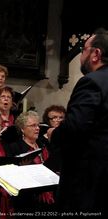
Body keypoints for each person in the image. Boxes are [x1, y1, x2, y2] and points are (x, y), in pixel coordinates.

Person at [47, 28, 108, 213]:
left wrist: (54, 134)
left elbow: (75, 126)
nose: (81, 55)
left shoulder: (91, 81)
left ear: (96, 54)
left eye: (83, 49)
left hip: (88, 180)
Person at [9, 110, 55, 212]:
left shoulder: (43, 144)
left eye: (38, 125)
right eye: (33, 126)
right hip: (28, 198)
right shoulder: (15, 148)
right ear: (22, 129)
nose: (37, 128)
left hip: (49, 192)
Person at [40, 105, 66, 173]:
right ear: (48, 120)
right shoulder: (41, 139)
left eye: (61, 117)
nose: (58, 120)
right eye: (54, 117)